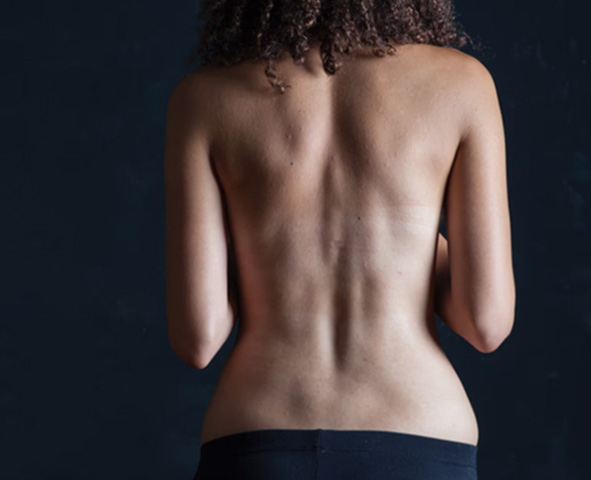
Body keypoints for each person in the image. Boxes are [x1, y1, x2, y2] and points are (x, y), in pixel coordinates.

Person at [163, 1, 516, 478]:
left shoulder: (203, 98)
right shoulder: (463, 84)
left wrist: (270, 245)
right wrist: (399, 240)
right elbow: (485, 321)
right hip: (419, 438)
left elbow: (199, 336)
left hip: (258, 441)